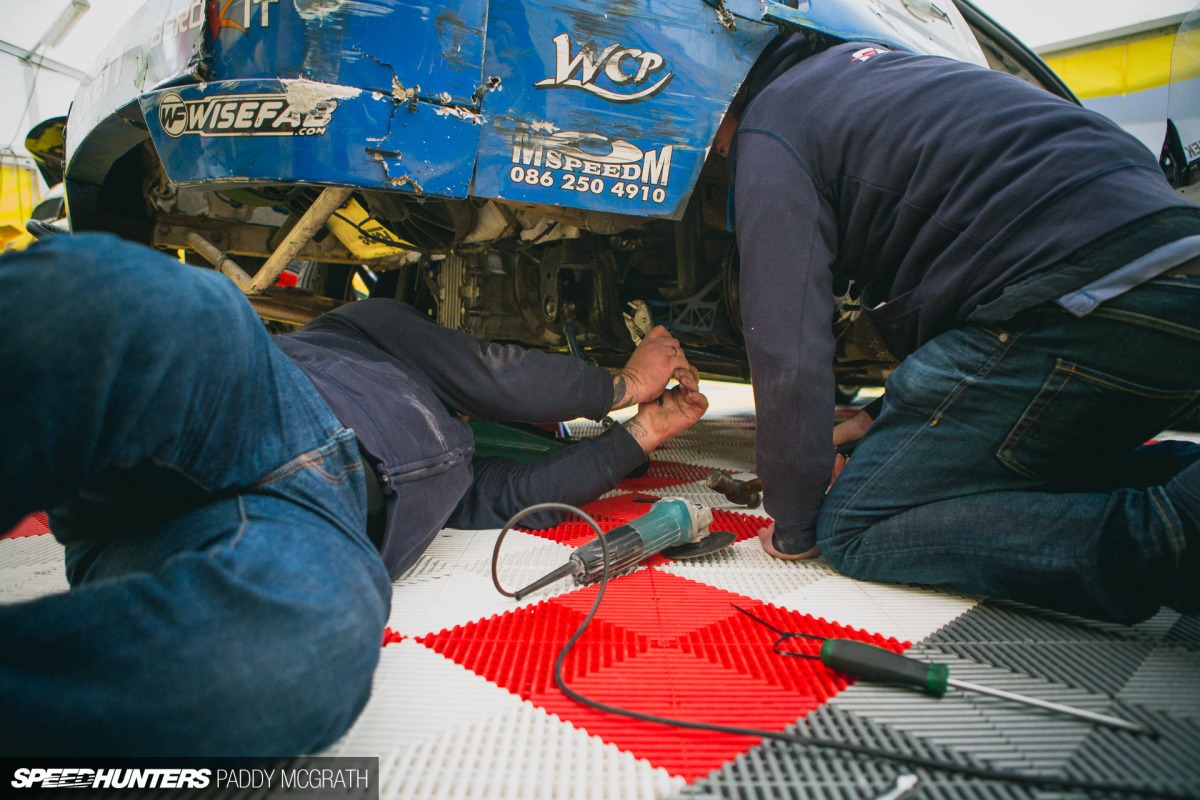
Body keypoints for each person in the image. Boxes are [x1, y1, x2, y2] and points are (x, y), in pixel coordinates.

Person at [0, 232, 708, 756]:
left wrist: (640, 432)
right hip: (255, 404)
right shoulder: (367, 328)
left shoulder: (462, 459)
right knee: (131, 303)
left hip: (302, 529)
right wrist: (616, 385)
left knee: (311, 654)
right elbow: (495, 374)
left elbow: (522, 494)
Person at [713, 33, 1200, 623]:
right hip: (1171, 278)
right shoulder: (880, 74)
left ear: (719, 103)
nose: (716, 159)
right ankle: (1181, 486)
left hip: (1088, 299)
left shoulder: (772, 126)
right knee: (1000, 469)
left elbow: (787, 347)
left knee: (856, 524)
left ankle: (1170, 540)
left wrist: (794, 520)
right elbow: (971, 256)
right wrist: (883, 417)